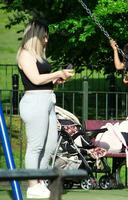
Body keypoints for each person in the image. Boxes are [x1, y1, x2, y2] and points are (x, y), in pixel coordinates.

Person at [17, 20, 74, 199]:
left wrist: (55, 80)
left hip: (47, 101)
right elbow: (34, 79)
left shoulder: (39, 55)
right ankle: (32, 185)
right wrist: (57, 73)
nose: (47, 40)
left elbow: (42, 80)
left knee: (50, 145)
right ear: (36, 35)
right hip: (34, 102)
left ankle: (40, 180)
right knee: (36, 146)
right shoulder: (25, 54)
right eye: (44, 36)